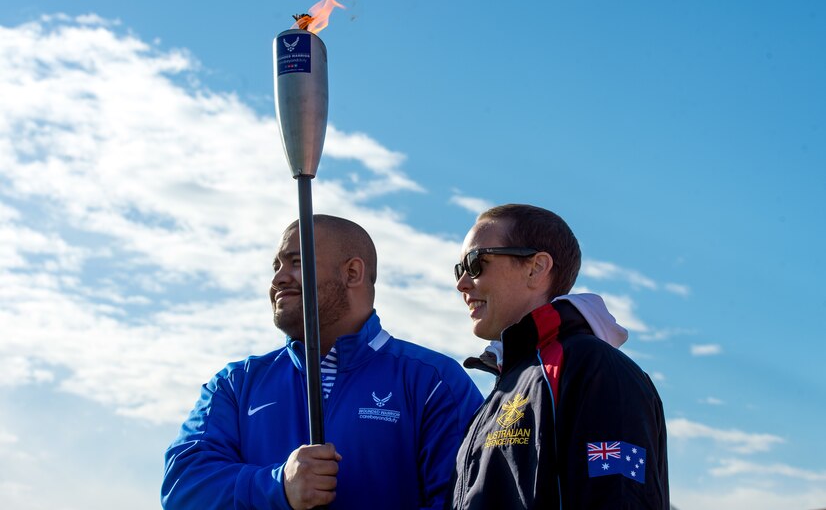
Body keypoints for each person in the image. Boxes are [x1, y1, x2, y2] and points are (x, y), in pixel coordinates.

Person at [162, 214, 483, 510]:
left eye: (297, 262)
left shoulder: (434, 382)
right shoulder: (236, 383)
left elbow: (465, 500)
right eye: (275, 267)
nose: (278, 279)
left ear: (352, 273)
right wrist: (279, 487)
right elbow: (182, 489)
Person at [448, 204, 669, 509]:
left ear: (536, 268)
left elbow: (621, 498)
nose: (461, 284)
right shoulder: (505, 388)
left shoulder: (597, 369)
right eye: (459, 269)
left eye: (476, 262)